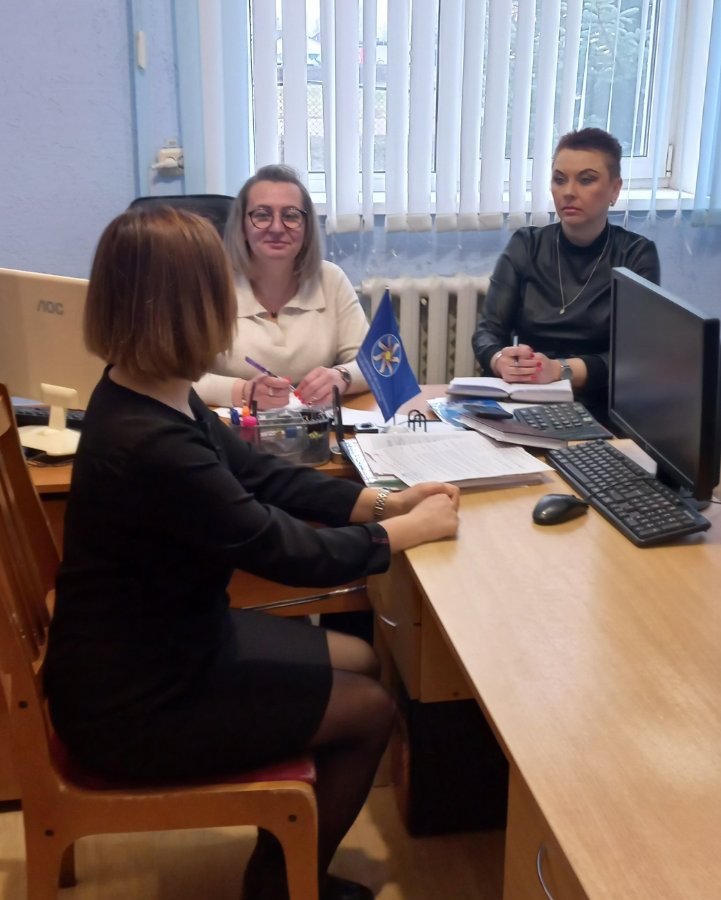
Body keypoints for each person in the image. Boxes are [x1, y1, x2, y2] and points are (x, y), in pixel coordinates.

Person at [43, 206, 460, 900]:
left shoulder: (147, 389)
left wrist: (383, 503)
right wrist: (406, 534)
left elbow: (262, 474)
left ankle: (284, 857)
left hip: (160, 646)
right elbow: (281, 549)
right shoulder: (151, 443)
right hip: (135, 701)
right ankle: (278, 884)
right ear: (188, 309)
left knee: (361, 660)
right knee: (370, 711)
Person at [471, 127, 661, 419]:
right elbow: (487, 331)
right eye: (559, 179)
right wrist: (499, 360)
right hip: (526, 398)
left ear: (614, 189)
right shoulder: (526, 245)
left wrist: (560, 370)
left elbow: (635, 358)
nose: (568, 191)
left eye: (586, 180)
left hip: (601, 406)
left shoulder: (636, 255)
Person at [194, 164, 369, 411]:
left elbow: (372, 365)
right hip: (231, 425)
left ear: (307, 228)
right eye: (262, 215)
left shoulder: (331, 279)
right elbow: (172, 378)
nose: (277, 228)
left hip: (315, 424)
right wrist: (242, 391)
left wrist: (342, 376)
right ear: (241, 227)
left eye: (291, 215)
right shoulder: (210, 284)